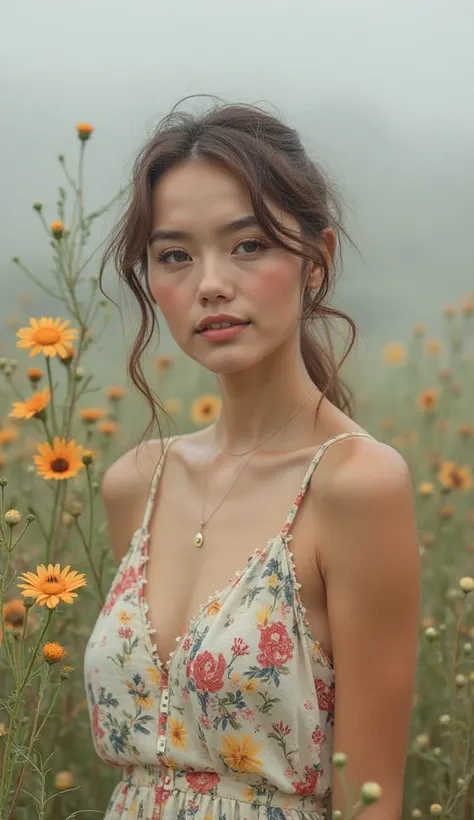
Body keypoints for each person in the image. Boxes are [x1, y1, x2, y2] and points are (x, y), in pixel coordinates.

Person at [84, 95, 420, 820]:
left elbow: (372, 801)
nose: (210, 283)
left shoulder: (357, 485)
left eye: (248, 245)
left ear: (316, 261)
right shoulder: (136, 484)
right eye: (174, 256)